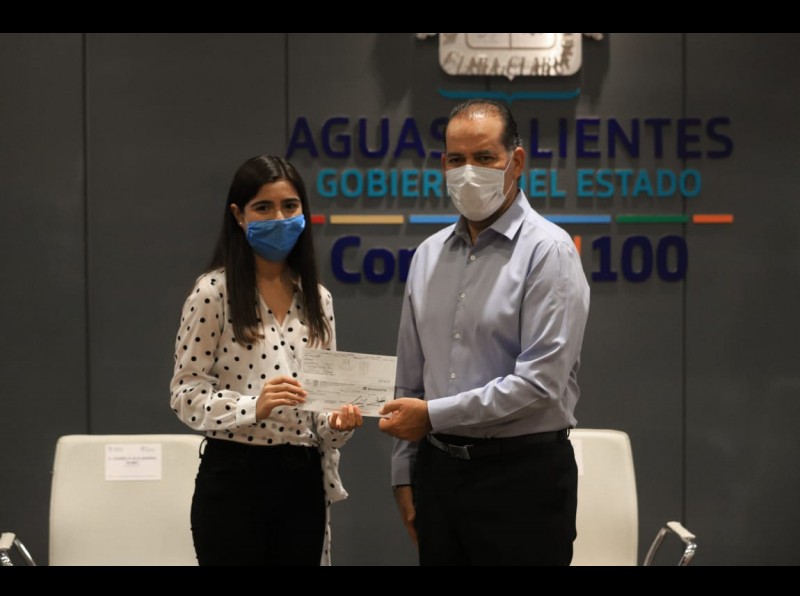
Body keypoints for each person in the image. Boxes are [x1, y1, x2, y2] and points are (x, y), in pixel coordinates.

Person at [378, 99, 590, 566]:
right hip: (438, 476)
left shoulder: (549, 252)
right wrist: (404, 473)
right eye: (456, 159)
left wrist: (432, 416)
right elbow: (410, 379)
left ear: (516, 161)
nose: (468, 172)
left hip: (522, 480)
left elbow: (540, 384)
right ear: (443, 164)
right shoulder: (428, 256)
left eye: (484, 157)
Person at [169, 154, 363, 566]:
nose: (279, 218)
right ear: (238, 215)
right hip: (234, 478)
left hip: (303, 480)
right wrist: (252, 406)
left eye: (290, 206)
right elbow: (185, 394)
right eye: (264, 207)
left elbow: (320, 413)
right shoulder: (213, 292)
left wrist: (338, 423)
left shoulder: (318, 298)